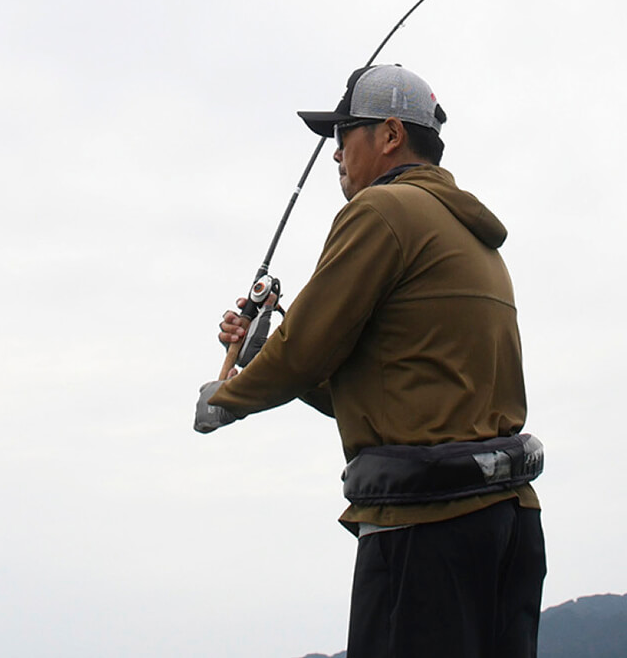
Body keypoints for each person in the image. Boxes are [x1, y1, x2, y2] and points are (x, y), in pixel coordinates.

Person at [195, 64, 546, 658]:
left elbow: (304, 349)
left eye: (344, 132)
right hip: (509, 525)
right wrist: (262, 356)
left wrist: (223, 398)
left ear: (389, 135)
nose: (336, 152)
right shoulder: (473, 237)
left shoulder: (382, 213)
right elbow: (381, 389)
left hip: (426, 528)